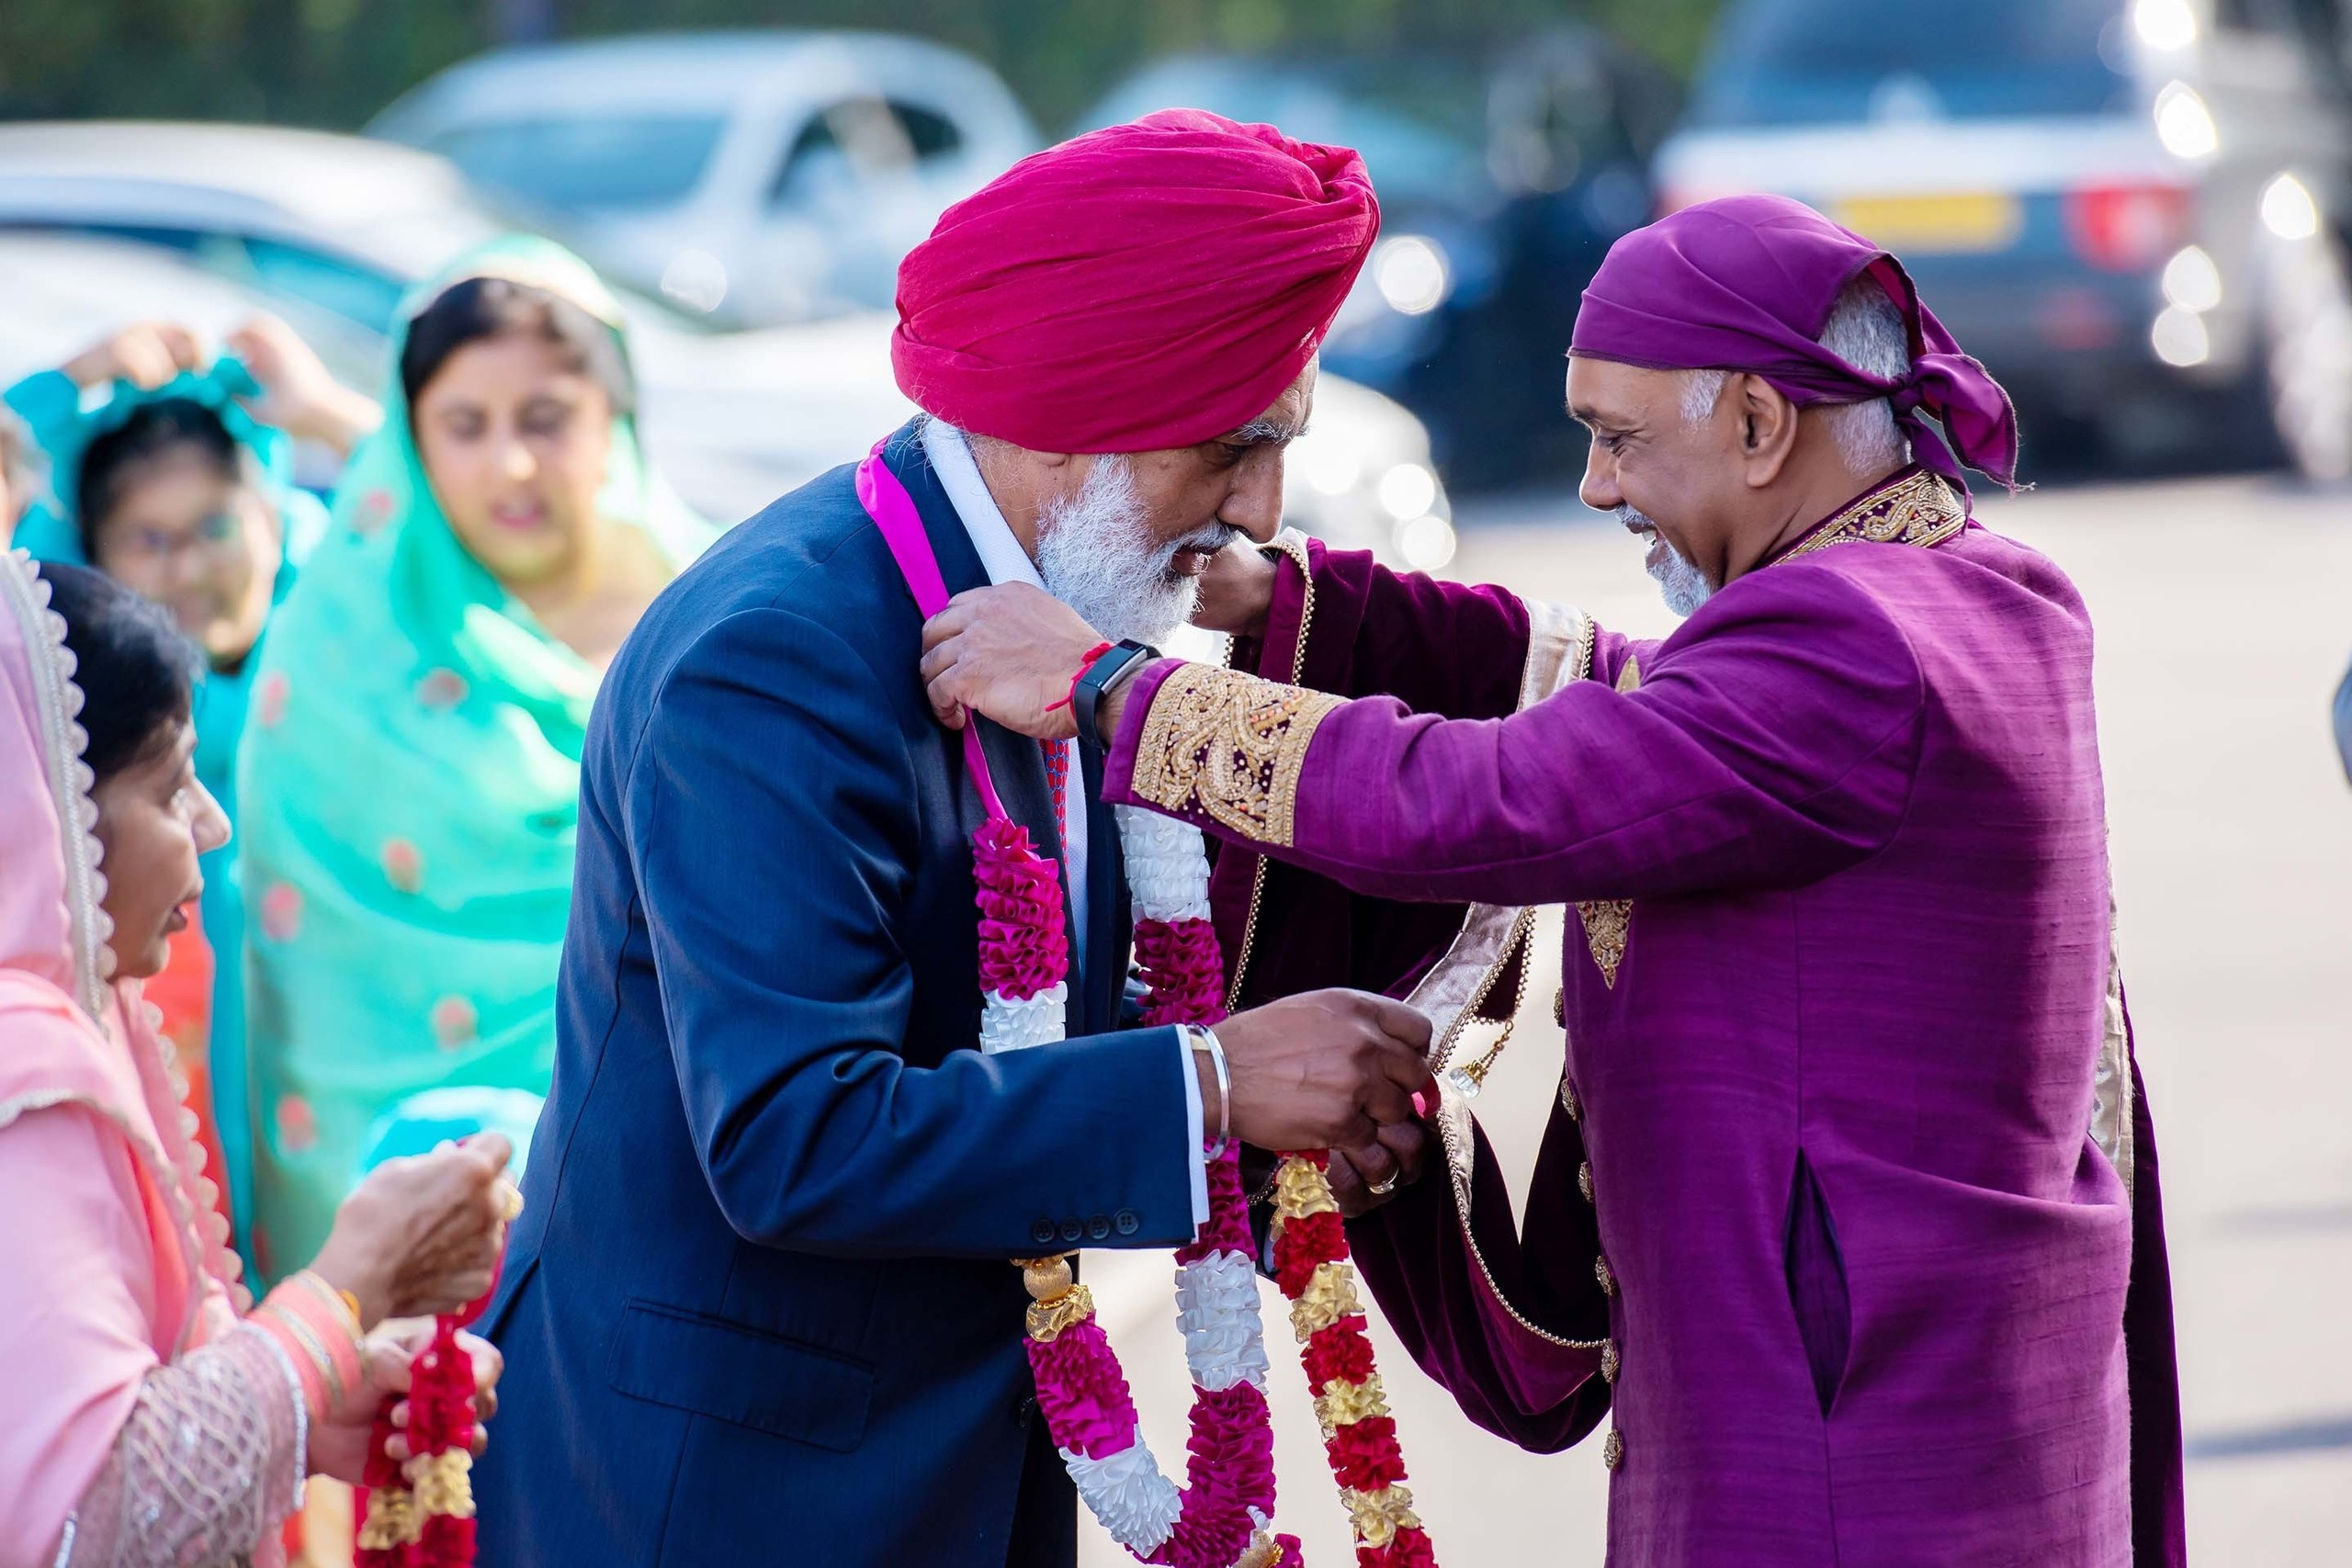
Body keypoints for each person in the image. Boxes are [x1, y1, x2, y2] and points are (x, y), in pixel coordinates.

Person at [922, 193, 2187, 1567]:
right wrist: (1300, 605)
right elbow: (1640, 693)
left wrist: (1115, 690)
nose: (1592, 484)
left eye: (1620, 437)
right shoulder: (1957, 590)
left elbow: (1495, 798)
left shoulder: (1855, 650)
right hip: (1923, 1409)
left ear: (1761, 427)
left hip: (1854, 1458)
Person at [471, 112, 1433, 1567]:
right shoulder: (772, 659)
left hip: (947, 1460)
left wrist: (1282, 1082)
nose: (1258, 514)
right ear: (1071, 415)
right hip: (722, 1489)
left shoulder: (1056, 612)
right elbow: (800, 1136)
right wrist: (1217, 1083)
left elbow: (1032, 1015)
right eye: (1235, 449)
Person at [0, 558, 512, 1568]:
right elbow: (92, 1520)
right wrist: (345, 1288)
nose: (212, 823)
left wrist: (310, 1410)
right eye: (169, 783)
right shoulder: (29, 1069)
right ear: (41, 810)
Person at [236, 236, 710, 1281]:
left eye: (545, 419)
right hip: (380, 1192)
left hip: (679, 1183)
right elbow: (307, 971)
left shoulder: (715, 618)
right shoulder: (344, 648)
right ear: (410, 440)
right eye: (464, 427)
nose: (510, 465)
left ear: (614, 420)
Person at [6, 319, 378, 1261]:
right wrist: (61, 388)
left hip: (332, 1095)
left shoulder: (330, 644)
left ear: (275, 514)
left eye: (216, 525)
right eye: (148, 538)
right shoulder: (68, 708)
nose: (190, 566)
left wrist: (325, 415)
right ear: (93, 550)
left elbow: (442, 533)